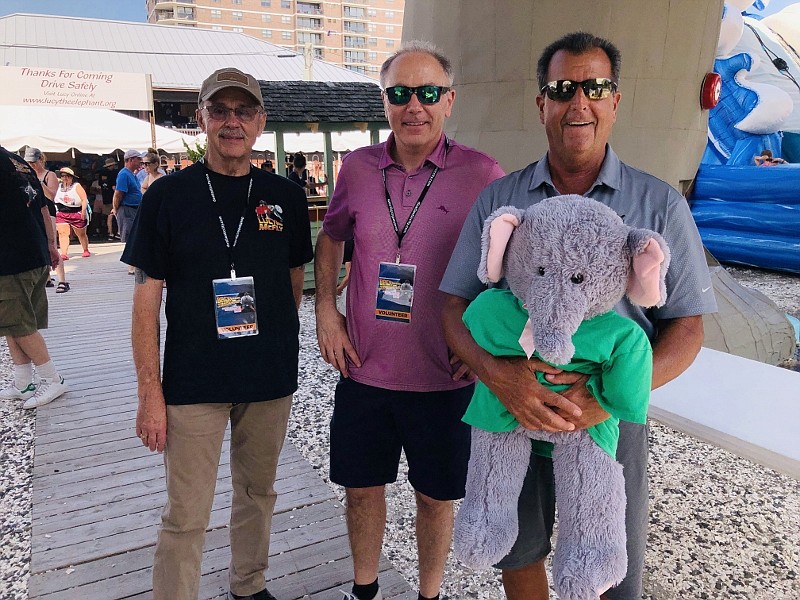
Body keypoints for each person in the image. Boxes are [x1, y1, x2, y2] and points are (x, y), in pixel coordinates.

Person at [439, 32, 718, 600]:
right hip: (513, 404)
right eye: (563, 88)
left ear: (615, 100)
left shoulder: (657, 204)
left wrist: (609, 396)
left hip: (608, 416)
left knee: (606, 557)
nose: (579, 102)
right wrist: (502, 379)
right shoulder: (503, 200)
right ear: (542, 103)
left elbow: (687, 325)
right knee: (517, 550)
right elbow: (453, 306)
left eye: (596, 86)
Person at [314, 41, 504, 600]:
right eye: (399, 93)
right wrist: (326, 307)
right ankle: (365, 590)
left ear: (449, 101)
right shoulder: (358, 167)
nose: (413, 106)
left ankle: (429, 594)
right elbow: (331, 238)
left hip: (443, 376)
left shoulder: (482, 174)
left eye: (426, 93)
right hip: (364, 368)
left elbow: (507, 266)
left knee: (435, 497)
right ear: (385, 101)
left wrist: (479, 334)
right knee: (361, 489)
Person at [122, 66, 313, 600]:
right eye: (221, 110)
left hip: (268, 377)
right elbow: (146, 298)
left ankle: (248, 588)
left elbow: (292, 281)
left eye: (244, 110)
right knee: (186, 513)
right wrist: (149, 393)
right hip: (193, 379)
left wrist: (272, 336)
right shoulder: (167, 196)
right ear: (202, 117)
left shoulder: (285, 195)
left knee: (258, 493)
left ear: (261, 121)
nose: (233, 122)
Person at [0, 146, 69, 410]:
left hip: (10, 258)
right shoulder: (18, 162)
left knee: (18, 323)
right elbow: (43, 207)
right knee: (12, 320)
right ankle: (23, 382)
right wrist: (51, 245)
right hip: (34, 251)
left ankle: (53, 379)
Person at [25, 147, 66, 289]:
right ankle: (47, 277)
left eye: (33, 162)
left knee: (52, 244)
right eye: (29, 163)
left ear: (40, 160)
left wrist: (39, 182)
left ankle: (62, 280)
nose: (31, 165)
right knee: (39, 245)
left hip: (49, 212)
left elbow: (51, 196)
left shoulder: (50, 175)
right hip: (35, 214)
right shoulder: (27, 175)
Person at [113, 149, 144, 274]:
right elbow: (118, 193)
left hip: (134, 209)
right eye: (138, 159)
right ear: (130, 160)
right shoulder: (124, 174)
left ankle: (134, 263)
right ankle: (132, 265)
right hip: (127, 209)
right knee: (131, 236)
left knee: (134, 236)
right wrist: (116, 209)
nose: (140, 162)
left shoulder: (132, 174)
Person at [54, 167, 91, 270]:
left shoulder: (76, 186)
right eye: (63, 176)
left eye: (68, 176)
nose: (65, 178)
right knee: (63, 233)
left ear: (72, 178)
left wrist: (83, 212)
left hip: (76, 212)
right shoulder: (58, 186)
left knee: (81, 233)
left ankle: (85, 249)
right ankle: (64, 253)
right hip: (62, 212)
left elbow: (84, 199)